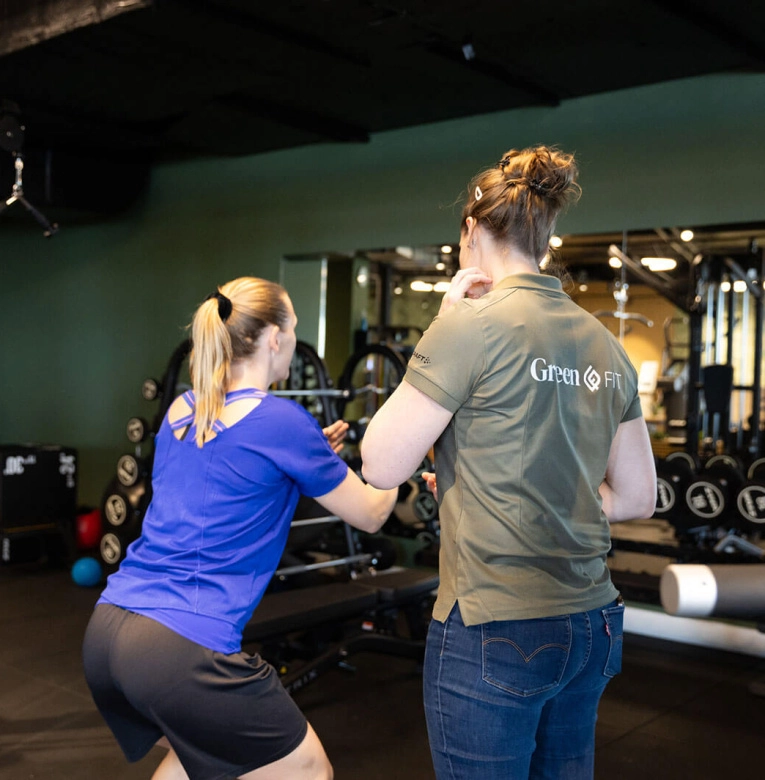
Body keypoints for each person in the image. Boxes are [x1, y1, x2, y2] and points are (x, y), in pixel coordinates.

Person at [361, 145, 657, 779]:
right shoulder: (605, 343)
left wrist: (444, 318)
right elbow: (636, 498)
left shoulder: (468, 323)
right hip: (592, 623)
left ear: (470, 231)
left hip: (497, 624)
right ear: (545, 240)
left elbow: (381, 464)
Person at [82, 276, 398, 780]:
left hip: (108, 632)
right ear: (275, 337)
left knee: (197, 755)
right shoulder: (281, 421)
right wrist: (396, 461)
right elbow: (374, 513)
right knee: (311, 770)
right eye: (292, 328)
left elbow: (226, 475)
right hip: (178, 649)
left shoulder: (181, 411)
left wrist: (310, 456)